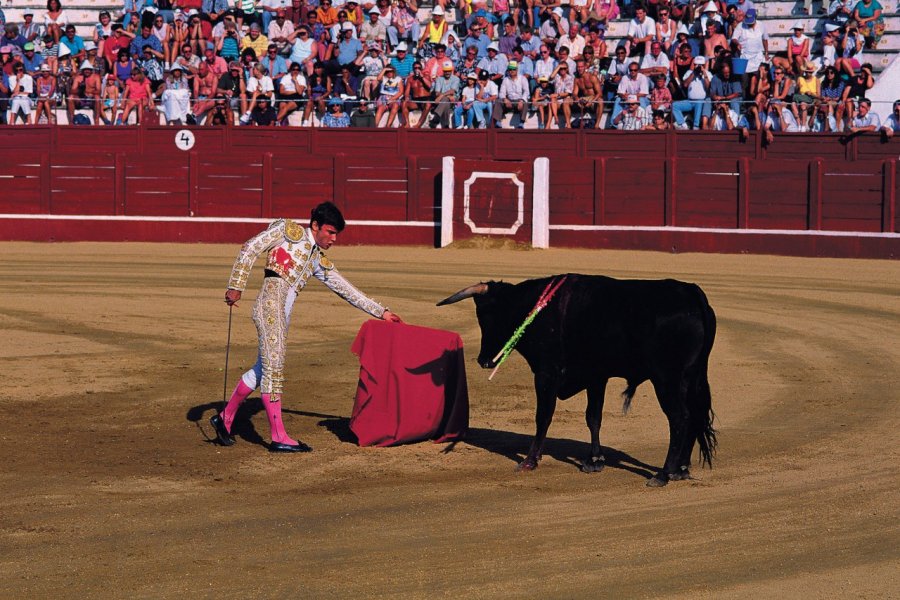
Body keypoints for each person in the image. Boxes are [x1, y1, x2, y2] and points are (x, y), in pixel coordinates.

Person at [211, 202, 402, 452]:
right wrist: (236, 285)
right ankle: (278, 436)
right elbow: (251, 247)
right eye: (330, 232)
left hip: (281, 313)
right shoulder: (288, 231)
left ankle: (224, 418)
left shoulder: (316, 259)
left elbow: (345, 288)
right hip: (270, 306)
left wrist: (382, 312)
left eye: (336, 234)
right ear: (315, 225)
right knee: (274, 370)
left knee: (263, 368)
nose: (333, 239)